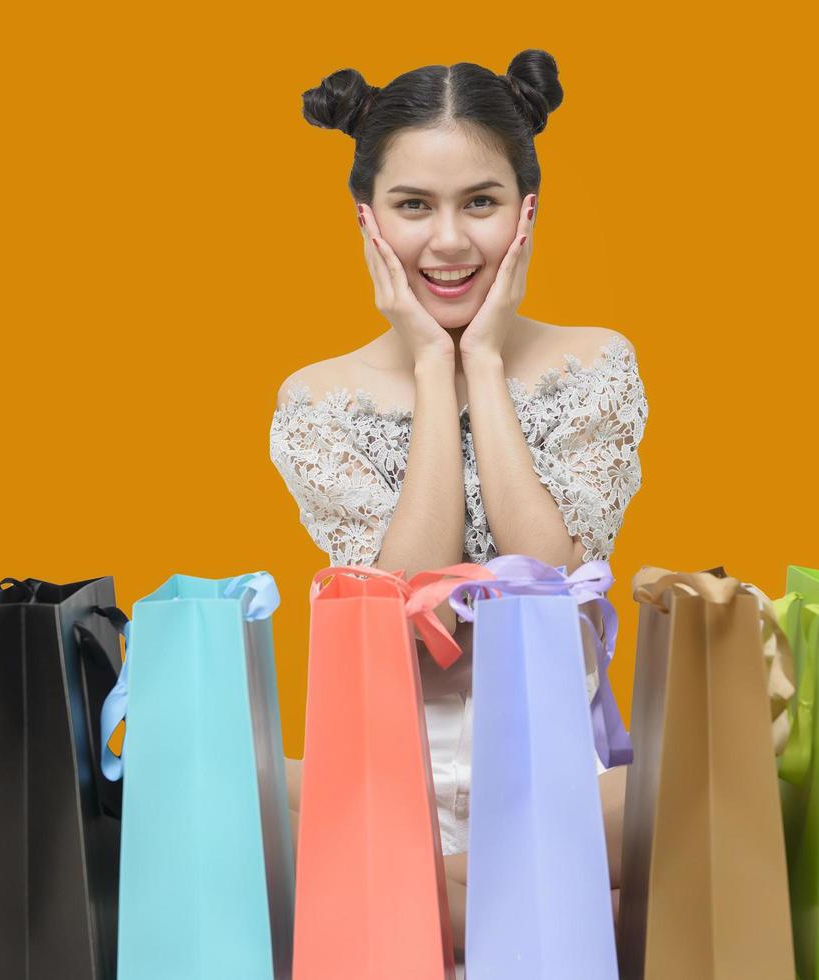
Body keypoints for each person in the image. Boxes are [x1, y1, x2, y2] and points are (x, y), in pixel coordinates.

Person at [268, 48, 647, 954]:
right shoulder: (313, 399)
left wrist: (484, 360)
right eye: (413, 207)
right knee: (215, 787)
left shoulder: (598, 362)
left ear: (527, 210)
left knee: (753, 788)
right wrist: (432, 368)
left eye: (480, 202)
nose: (447, 242)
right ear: (367, 222)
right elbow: (395, 608)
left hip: (566, 786)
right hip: (392, 786)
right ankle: (521, 907)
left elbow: (550, 573)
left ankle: (433, 913)